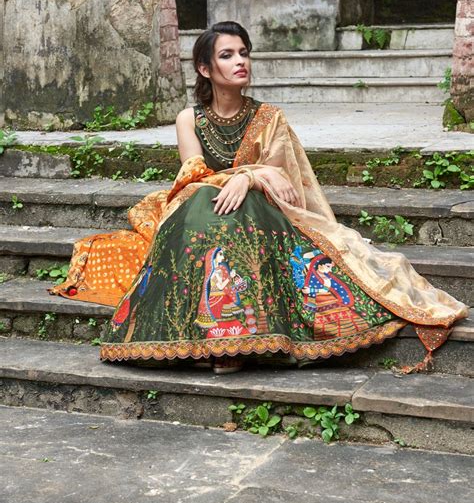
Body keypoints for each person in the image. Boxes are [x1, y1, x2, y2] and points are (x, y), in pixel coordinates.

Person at [50, 21, 468, 374]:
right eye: (228, 55)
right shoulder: (188, 119)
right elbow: (194, 174)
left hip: (262, 211)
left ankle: (243, 341)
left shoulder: (269, 118)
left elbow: (285, 182)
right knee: (202, 206)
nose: (241, 62)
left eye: (244, 53)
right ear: (205, 67)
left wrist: (252, 179)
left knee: (240, 208)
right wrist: (251, 172)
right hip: (200, 203)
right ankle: (201, 338)